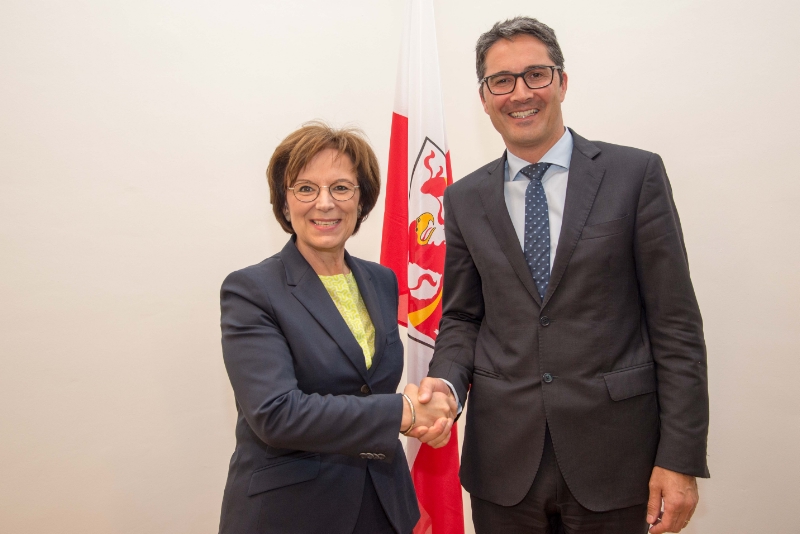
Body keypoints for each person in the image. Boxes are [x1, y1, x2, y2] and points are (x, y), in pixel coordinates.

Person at [413, 16, 709, 534]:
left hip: (616, 458)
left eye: (536, 75)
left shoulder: (634, 176)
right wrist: (448, 386)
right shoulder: (462, 198)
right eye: (501, 81)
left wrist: (679, 457)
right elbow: (462, 316)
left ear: (562, 82)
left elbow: (675, 324)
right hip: (503, 463)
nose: (519, 93)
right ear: (484, 98)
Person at [218, 122, 455, 534]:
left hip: (383, 504)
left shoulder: (381, 280)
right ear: (284, 202)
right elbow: (276, 414)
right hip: (292, 514)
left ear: (361, 200)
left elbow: (368, 389)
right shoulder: (251, 289)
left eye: (341, 188)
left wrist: (422, 428)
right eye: (305, 188)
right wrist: (404, 412)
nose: (324, 203)